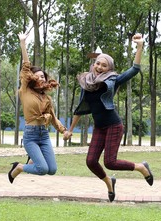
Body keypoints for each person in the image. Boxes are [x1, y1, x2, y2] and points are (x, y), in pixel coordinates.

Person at [63, 33, 153, 202]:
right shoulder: (86, 82)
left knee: (110, 162)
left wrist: (139, 47)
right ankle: (109, 183)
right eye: (98, 63)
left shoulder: (113, 80)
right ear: (93, 64)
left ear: (109, 68)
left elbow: (134, 69)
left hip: (113, 125)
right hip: (99, 127)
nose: (99, 67)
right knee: (91, 161)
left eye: (104, 65)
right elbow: (80, 108)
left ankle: (141, 167)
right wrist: (70, 130)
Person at [8, 31, 67, 183]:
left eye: (44, 76)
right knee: (42, 169)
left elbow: (53, 118)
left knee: (52, 170)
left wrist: (63, 131)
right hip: (31, 135)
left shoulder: (46, 98)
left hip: (44, 134)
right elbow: (26, 68)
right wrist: (23, 44)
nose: (42, 78)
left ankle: (30, 162)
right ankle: (20, 167)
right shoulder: (25, 90)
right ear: (32, 79)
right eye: (39, 76)